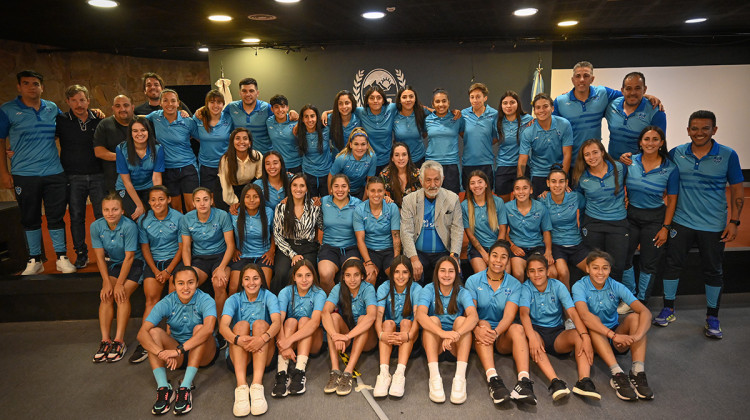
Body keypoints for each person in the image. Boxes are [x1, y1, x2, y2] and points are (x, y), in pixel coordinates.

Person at [656, 110, 743, 338]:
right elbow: (661, 177)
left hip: (713, 225)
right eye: (694, 128)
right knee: (672, 265)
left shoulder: (728, 155)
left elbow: (737, 190)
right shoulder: (676, 153)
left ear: (714, 130)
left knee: (713, 271)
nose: (699, 133)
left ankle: (712, 317)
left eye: (705, 128)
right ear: (687, 130)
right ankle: (668, 308)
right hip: (681, 221)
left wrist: (734, 221)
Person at [0, 70, 76, 274]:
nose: (31, 87)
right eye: (26, 83)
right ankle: (35, 260)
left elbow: (68, 126)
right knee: (29, 217)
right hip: (24, 174)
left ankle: (61, 256)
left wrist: (92, 112)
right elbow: (1, 140)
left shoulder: (51, 108)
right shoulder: (7, 110)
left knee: (56, 216)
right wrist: (4, 172)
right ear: (19, 87)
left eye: (35, 84)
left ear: (42, 87)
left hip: (54, 172)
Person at [573, 250, 654, 401]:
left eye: (605, 268)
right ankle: (617, 374)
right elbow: (584, 315)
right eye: (595, 267)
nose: (600, 272)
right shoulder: (579, 286)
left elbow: (645, 312)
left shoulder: (616, 285)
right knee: (593, 323)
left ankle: (638, 372)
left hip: (616, 338)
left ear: (610, 269)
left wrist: (636, 336)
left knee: (636, 317)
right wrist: (613, 335)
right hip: (595, 339)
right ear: (588, 269)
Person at [136, 266, 217, 415]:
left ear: (197, 283)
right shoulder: (168, 301)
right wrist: (161, 353)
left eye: (190, 282)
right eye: (180, 283)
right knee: (153, 332)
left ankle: (185, 388)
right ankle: (164, 388)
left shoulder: (206, 299)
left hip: (203, 354)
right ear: (174, 285)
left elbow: (209, 329)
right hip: (176, 355)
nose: (186, 287)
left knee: (200, 329)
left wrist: (178, 350)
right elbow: (141, 334)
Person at [519, 255, 599, 401]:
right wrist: (531, 337)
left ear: (548, 271)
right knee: (532, 337)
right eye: (532, 271)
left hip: (556, 333)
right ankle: (555, 382)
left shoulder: (558, 286)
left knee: (578, 335)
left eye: (540, 270)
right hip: (537, 331)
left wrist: (585, 336)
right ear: (528, 273)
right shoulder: (526, 288)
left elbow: (573, 313)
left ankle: (584, 381)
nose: (537, 275)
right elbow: (524, 314)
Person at [464, 241, 534, 405]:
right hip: (479, 334)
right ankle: (493, 380)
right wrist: (476, 329)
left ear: (508, 261)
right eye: (495, 255)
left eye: (503, 257)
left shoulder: (515, 284)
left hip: (501, 335)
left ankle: (524, 382)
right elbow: (471, 313)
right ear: (488, 257)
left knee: (517, 327)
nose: (498, 260)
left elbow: (509, 316)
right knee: (483, 324)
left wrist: (496, 334)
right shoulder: (473, 281)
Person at [618, 127, 679, 305]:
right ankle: (630, 299)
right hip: (631, 216)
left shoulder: (670, 168)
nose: (650, 143)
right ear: (640, 142)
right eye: (646, 139)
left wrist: (665, 228)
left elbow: (673, 201)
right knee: (624, 257)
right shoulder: (630, 162)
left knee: (648, 262)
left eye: (655, 139)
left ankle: (641, 302)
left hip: (655, 219)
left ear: (661, 143)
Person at [220, 263, 281, 417]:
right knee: (241, 325)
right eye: (247, 279)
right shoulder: (233, 299)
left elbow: (276, 322)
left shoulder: (269, 296)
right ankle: (241, 387)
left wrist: (262, 339)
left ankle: (257, 386)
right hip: (240, 356)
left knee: (260, 324)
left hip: (264, 354)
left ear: (261, 280)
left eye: (255, 278)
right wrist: (237, 339)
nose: (251, 283)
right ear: (241, 281)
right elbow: (223, 327)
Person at [572, 139, 629, 305]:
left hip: (618, 222)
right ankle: (594, 299)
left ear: (602, 152)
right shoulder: (581, 176)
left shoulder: (619, 167)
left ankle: (614, 300)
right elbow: (578, 200)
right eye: (587, 154)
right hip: (593, 223)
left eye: (595, 152)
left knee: (616, 266)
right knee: (594, 265)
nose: (592, 157)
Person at [90, 192, 145, 363]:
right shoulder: (96, 227)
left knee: (121, 295)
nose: (110, 213)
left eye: (115, 209)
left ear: (122, 211)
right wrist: (107, 282)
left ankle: (119, 341)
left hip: (134, 263)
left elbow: (129, 258)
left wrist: (120, 283)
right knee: (106, 295)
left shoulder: (129, 226)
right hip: (114, 264)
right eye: (106, 209)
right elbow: (99, 257)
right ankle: (105, 340)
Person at [132, 185, 184, 364]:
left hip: (174, 262)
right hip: (154, 264)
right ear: (148, 202)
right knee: (151, 299)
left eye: (161, 199)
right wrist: (155, 270)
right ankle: (145, 341)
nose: (157, 203)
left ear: (169, 199)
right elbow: (145, 247)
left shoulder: (178, 218)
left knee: (173, 297)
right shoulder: (144, 220)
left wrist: (169, 270)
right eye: (153, 200)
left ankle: (171, 338)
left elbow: (182, 247)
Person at [416, 256, 478, 404]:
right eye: (442, 271)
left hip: (455, 346)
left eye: (451, 271)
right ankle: (434, 377)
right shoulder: (428, 289)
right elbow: (420, 315)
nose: (446, 275)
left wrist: (455, 335)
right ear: (437, 273)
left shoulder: (462, 291)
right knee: (433, 320)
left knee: (462, 320)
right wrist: (443, 334)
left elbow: (474, 317)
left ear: (456, 273)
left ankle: (460, 378)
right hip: (435, 345)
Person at [56, 84, 104, 269]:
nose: (78, 104)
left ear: (88, 101)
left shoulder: (98, 119)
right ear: (68, 102)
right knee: (76, 216)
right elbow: (42, 139)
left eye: (82, 99)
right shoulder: (61, 121)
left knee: (102, 216)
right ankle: (81, 253)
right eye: (74, 100)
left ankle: (106, 251)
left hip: (98, 175)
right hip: (73, 177)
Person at [400, 161, 463, 285]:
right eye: (428, 180)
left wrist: (454, 256)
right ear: (421, 180)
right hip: (418, 254)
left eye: (436, 180)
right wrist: (413, 258)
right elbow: (406, 232)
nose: (433, 184)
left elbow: (457, 229)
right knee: (410, 280)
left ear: (442, 179)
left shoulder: (452, 198)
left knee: (456, 282)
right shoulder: (409, 200)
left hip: (444, 253)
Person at [322, 258, 378, 396]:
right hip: (345, 338)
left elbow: (371, 316)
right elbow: (324, 312)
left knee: (363, 318)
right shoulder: (338, 288)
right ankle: (335, 370)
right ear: (343, 276)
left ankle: (347, 372)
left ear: (362, 276)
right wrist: (335, 335)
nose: (352, 279)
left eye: (356, 275)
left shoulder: (368, 288)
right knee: (333, 317)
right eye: (348, 275)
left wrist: (347, 336)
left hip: (366, 339)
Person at [180, 187, 235, 320]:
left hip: (220, 256)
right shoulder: (187, 219)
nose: (202, 203)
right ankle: (191, 321)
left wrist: (221, 267)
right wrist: (188, 269)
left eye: (205, 199)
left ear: (211, 201)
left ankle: (221, 324)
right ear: (193, 203)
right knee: (188, 282)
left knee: (219, 283)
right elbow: (186, 247)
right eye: (198, 200)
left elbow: (231, 245)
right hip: (199, 258)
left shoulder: (222, 215)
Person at [273, 260, 327, 397]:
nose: (304, 280)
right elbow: (278, 321)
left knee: (305, 320)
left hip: (313, 341)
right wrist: (284, 344)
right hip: (290, 344)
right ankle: (282, 374)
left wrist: (287, 341)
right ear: (294, 277)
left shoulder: (319, 293)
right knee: (289, 321)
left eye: (308, 275)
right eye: (300, 276)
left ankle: (299, 371)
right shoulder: (285, 292)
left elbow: (315, 323)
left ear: (313, 276)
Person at [373, 256, 422, 397]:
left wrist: (409, 335)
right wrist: (381, 335)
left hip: (409, 335)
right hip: (390, 334)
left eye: (405, 272)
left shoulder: (416, 288)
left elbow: (418, 317)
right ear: (391, 273)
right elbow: (378, 316)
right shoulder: (384, 287)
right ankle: (384, 373)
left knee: (407, 322)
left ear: (410, 274)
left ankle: (399, 373)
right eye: (397, 272)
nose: (400, 276)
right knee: (387, 323)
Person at [144, 89, 198, 212]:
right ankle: (180, 232)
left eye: (173, 101)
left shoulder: (188, 121)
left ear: (178, 103)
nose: (169, 104)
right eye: (165, 101)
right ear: (160, 103)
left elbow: (201, 138)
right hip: (168, 169)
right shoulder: (155, 117)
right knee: (175, 208)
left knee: (192, 207)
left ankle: (192, 231)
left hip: (188, 168)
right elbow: (138, 118)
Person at [272, 174, 322, 294]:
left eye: (302, 186)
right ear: (290, 187)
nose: (298, 189)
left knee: (302, 273)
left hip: (308, 247)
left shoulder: (315, 207)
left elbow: (321, 227)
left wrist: (320, 246)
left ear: (307, 189)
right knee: (281, 273)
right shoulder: (281, 207)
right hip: (287, 247)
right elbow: (277, 235)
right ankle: (277, 306)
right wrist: (292, 254)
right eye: (295, 185)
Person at [540, 167, 588, 290]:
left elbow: (590, 207)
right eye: (553, 181)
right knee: (563, 273)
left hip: (576, 243)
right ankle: (567, 306)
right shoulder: (542, 200)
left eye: (561, 181)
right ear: (548, 183)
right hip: (556, 245)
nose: (557, 185)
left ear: (566, 183)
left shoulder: (575, 197)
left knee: (593, 269)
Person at [517, 93, 573, 198]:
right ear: (534, 111)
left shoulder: (564, 125)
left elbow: (567, 155)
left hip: (559, 172)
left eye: (545, 106)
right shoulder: (528, 132)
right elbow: (523, 160)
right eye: (538, 107)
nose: (542, 110)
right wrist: (520, 182)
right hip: (538, 174)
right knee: (537, 209)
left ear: (552, 108)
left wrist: (563, 179)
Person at [604, 72, 667, 160]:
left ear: (644, 89)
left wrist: (634, 161)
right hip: (613, 165)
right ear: (622, 90)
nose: (633, 92)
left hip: (639, 167)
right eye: (628, 88)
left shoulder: (656, 112)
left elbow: (659, 146)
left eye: (637, 88)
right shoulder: (611, 106)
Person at [354, 176, 401, 285]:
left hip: (389, 250)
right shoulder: (360, 210)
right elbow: (360, 239)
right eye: (372, 191)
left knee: (397, 277)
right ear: (367, 191)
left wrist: (396, 259)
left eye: (380, 191)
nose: (376, 194)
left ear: (384, 191)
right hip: (370, 251)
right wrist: (368, 262)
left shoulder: (391, 207)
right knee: (369, 278)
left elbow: (396, 236)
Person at [318, 174, 362, 291]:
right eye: (336, 186)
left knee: (354, 276)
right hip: (329, 247)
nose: (340, 190)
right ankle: (335, 303)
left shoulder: (358, 204)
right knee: (325, 275)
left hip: (350, 247)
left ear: (349, 188)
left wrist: (387, 200)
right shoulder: (323, 202)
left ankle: (351, 304)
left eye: (343, 186)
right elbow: (304, 203)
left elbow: (374, 206)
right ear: (331, 189)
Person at [116, 116, 165, 220]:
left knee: (157, 214)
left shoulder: (157, 148)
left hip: (148, 187)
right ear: (130, 133)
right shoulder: (121, 149)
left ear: (148, 131)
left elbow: (156, 178)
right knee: (139, 217)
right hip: (127, 188)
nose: (140, 134)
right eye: (135, 131)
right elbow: (127, 182)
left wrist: (157, 200)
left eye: (143, 130)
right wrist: (139, 205)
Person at [506, 177, 555, 281]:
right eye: (517, 189)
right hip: (518, 247)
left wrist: (548, 251)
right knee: (518, 273)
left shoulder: (540, 207)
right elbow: (503, 231)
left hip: (537, 246)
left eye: (525, 188)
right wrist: (512, 246)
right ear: (514, 192)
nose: (521, 192)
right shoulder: (507, 207)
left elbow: (546, 232)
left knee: (552, 273)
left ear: (531, 190)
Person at [229, 184, 274, 292]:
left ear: (261, 199)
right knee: (233, 288)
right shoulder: (234, 213)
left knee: (264, 287)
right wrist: (234, 249)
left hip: (263, 255)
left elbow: (274, 234)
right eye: (247, 196)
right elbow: (228, 234)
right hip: (242, 255)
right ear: (242, 198)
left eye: (255, 196)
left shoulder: (269, 212)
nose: (251, 200)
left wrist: (272, 251)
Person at [193, 89, 233, 210]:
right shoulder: (199, 118)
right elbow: (194, 135)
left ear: (223, 104)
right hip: (206, 166)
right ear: (207, 103)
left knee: (225, 198)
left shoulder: (229, 118)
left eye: (219, 102)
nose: (215, 105)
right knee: (208, 199)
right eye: (212, 102)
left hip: (225, 165)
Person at [461, 170, 507, 274]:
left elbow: (503, 230)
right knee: (482, 275)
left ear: (486, 184)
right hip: (478, 248)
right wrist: (484, 253)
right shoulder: (464, 206)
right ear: (469, 187)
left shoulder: (498, 202)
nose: (476, 186)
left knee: (504, 272)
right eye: (472, 183)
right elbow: (470, 236)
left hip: (498, 245)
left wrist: (495, 252)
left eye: (480, 182)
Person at [221, 78, 278, 155]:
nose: (248, 94)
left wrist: (292, 114)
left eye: (251, 91)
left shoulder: (267, 108)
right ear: (240, 93)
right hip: (241, 157)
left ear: (257, 93)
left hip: (263, 157)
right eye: (244, 91)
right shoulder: (231, 107)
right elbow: (217, 117)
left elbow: (281, 117)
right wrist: (202, 110)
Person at [424, 88, 464, 194]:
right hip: (432, 164)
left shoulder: (457, 118)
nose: (441, 104)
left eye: (444, 101)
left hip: (451, 164)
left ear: (449, 102)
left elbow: (464, 135)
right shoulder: (427, 120)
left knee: (452, 199)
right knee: (432, 197)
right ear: (432, 104)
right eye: (437, 101)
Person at [495, 91, 533, 201]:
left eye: (512, 102)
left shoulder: (529, 120)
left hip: (524, 165)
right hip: (504, 165)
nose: (508, 106)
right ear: (501, 105)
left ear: (518, 104)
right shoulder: (497, 121)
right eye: (505, 103)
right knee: (504, 202)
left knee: (522, 200)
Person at [461, 83, 498, 190]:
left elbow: (495, 138)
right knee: (469, 195)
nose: (475, 100)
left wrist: (483, 142)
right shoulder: (463, 114)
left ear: (485, 98)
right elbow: (461, 132)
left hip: (486, 163)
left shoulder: (494, 114)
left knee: (486, 196)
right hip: (468, 162)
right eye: (472, 97)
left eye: (478, 97)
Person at [218, 127, 263, 215]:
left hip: (247, 189)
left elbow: (259, 179)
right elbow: (226, 185)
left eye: (245, 139)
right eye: (237, 138)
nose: (241, 142)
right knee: (233, 214)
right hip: (227, 190)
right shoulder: (225, 159)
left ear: (249, 143)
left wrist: (250, 198)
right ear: (232, 142)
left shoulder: (257, 156)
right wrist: (234, 203)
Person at [353, 86, 398, 173]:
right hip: (368, 161)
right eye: (372, 98)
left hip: (388, 161)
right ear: (367, 101)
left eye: (379, 98)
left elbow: (410, 105)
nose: (375, 101)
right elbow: (344, 109)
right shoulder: (361, 111)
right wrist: (326, 112)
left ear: (383, 100)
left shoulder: (391, 108)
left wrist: (432, 111)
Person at [95, 94, 134, 193]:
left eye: (126, 105)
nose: (122, 109)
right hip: (114, 182)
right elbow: (99, 151)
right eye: (118, 106)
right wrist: (123, 157)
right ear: (113, 108)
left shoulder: (140, 123)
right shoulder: (104, 125)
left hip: (140, 181)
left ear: (132, 107)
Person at [329, 127, 376, 199]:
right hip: (343, 191)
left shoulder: (372, 157)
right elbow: (331, 177)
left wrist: (363, 203)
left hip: (360, 190)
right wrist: (332, 198)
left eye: (363, 144)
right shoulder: (342, 158)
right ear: (351, 145)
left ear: (367, 145)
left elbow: (369, 182)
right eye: (356, 144)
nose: (359, 148)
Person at [297, 104, 332, 199]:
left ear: (317, 117)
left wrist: (326, 112)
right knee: (312, 205)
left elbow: (340, 112)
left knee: (326, 203)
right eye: (306, 117)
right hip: (308, 174)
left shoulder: (326, 129)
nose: (309, 120)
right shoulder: (299, 132)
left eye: (312, 116)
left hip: (326, 174)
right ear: (302, 119)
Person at [266, 94, 302, 174]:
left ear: (287, 108)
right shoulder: (269, 122)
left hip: (297, 164)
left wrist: (299, 117)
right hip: (279, 165)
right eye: (276, 107)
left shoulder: (296, 121)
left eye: (283, 106)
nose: (280, 110)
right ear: (272, 109)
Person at [393, 86, 428, 166]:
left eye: (411, 96)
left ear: (415, 99)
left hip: (419, 159)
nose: (408, 100)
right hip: (400, 161)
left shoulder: (422, 113)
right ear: (400, 100)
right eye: (404, 97)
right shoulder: (394, 116)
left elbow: (424, 134)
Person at [380, 142, 421, 208]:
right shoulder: (384, 175)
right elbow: (382, 198)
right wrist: (384, 198)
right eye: (397, 155)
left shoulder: (417, 174)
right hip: (393, 213)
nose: (401, 158)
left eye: (404, 154)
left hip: (414, 212)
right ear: (392, 158)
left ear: (408, 157)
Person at [327, 90, 361, 155]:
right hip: (337, 160)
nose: (344, 106)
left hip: (355, 160)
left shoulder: (359, 119)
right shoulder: (330, 119)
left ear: (352, 103)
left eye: (347, 103)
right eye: (340, 103)